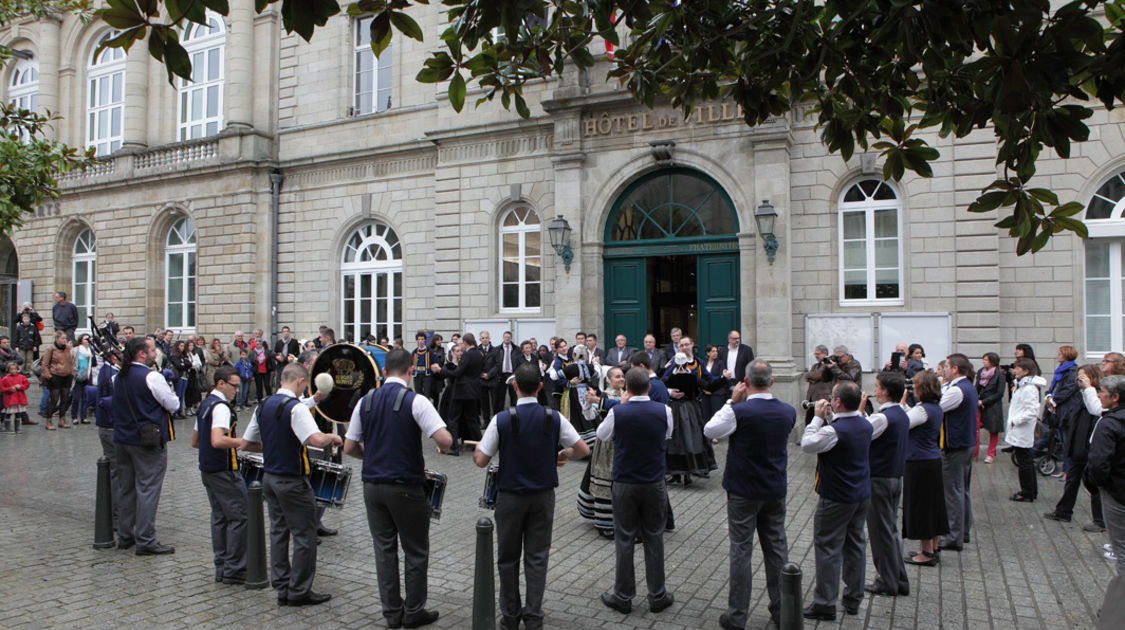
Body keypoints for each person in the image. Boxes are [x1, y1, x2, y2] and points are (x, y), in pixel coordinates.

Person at [474, 362, 589, 630]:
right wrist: (562, 454)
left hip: (510, 497)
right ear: (540, 387)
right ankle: (534, 615)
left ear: (514, 387)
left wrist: (482, 445)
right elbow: (582, 449)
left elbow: (480, 460)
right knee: (537, 557)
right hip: (542, 497)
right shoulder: (553, 417)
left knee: (508, 558)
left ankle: (510, 617)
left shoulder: (501, 419)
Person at [343, 348, 452, 628]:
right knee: (415, 550)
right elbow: (445, 440)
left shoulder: (364, 401)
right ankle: (414, 611)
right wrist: (442, 443)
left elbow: (349, 446)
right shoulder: (417, 401)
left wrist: (373, 457)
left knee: (384, 550)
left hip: (372, 487)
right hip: (405, 486)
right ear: (411, 369)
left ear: (383, 371)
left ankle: (392, 613)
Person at [240, 362, 343, 606]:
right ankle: (299, 591)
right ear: (299, 381)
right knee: (304, 535)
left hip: (269, 478)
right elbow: (316, 439)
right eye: (304, 385)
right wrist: (334, 437)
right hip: (293, 481)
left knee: (278, 532)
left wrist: (273, 446)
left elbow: (245, 443)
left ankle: (283, 585)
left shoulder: (263, 405)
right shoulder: (295, 409)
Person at [703, 360, 795, 630]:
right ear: (772, 382)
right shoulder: (788, 412)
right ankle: (783, 612)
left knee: (741, 550)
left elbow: (710, 430)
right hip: (774, 488)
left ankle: (737, 616)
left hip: (743, 489)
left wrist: (732, 402)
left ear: (745, 382)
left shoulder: (739, 411)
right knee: (777, 548)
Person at [596, 367, 675, 616]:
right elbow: (668, 434)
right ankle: (657, 595)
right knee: (654, 537)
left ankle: (623, 596)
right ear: (649, 387)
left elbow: (602, 435)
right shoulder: (665, 410)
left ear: (626, 388)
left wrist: (621, 406)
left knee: (625, 537)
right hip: (653, 481)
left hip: (625, 482)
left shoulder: (618, 411)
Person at [800, 381, 874, 621]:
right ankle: (853, 598)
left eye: (832, 398)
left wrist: (817, 418)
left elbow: (809, 444)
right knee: (855, 545)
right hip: (860, 494)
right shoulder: (864, 422)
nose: (829, 401)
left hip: (836, 497)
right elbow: (841, 438)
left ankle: (825, 603)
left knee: (828, 548)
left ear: (838, 402)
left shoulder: (835, 430)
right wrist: (831, 418)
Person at [112, 336, 180, 554]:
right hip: (147, 439)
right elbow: (173, 404)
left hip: (123, 437)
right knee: (148, 488)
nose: (155, 354)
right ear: (141, 353)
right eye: (152, 350)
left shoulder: (119, 376)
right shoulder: (151, 376)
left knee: (127, 488)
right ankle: (145, 538)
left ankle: (125, 534)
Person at [191, 366, 249, 584]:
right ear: (221, 384)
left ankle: (222, 566)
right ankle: (235, 568)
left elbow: (196, 441)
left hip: (208, 468)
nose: (237, 390)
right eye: (234, 386)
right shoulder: (222, 407)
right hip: (224, 469)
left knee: (219, 517)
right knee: (239, 517)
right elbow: (217, 440)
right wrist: (243, 443)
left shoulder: (205, 404)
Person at [863, 371, 910, 597]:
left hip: (879, 478)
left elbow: (860, 435)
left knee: (880, 533)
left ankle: (887, 581)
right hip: (894, 477)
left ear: (886, 391)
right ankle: (898, 578)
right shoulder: (900, 413)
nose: (876, 390)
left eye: (878, 387)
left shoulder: (883, 417)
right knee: (889, 530)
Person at [1046, 364, 1105, 525]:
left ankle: (1099, 520)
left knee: (1092, 483)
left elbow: (1095, 413)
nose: (1079, 380)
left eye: (1083, 377)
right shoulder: (1079, 395)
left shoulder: (1096, 395)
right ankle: (1063, 511)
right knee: (1072, 480)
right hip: (1076, 444)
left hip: (1087, 446)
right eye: (1078, 377)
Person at [902, 371, 949, 566]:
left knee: (922, 507)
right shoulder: (935, 408)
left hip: (919, 462)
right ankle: (934, 546)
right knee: (934, 505)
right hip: (932, 460)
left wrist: (899, 403)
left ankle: (926, 552)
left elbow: (903, 423)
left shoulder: (922, 410)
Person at [579, 366, 625, 537]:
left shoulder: (626, 395)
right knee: (604, 481)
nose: (621, 379)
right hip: (606, 446)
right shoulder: (604, 396)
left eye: (622, 376)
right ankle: (605, 523)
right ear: (608, 380)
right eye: (617, 377)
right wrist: (589, 402)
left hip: (622, 445)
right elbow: (589, 416)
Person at [939, 353, 979, 551]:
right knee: (962, 490)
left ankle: (953, 536)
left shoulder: (957, 390)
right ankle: (963, 532)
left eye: (946, 366)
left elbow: (937, 409)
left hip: (956, 445)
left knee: (953, 491)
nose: (944, 369)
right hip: (966, 443)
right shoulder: (966, 387)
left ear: (955, 368)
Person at [1086, 374, 1125, 575]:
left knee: (1121, 550)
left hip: (1116, 493)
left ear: (1115, 397)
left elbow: (1098, 464)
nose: (1099, 395)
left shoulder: (1109, 424)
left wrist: (1096, 484)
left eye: (1101, 392)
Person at [663, 342, 716, 486]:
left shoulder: (669, 379)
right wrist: (724, 379)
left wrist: (664, 370)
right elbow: (710, 386)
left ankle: (676, 473)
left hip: (674, 409)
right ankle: (688, 473)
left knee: (674, 440)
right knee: (690, 439)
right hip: (690, 409)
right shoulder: (693, 378)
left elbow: (657, 385)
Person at [1006, 358, 1045, 503]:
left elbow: (1031, 411)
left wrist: (1015, 421)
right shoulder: (1022, 386)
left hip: (1022, 429)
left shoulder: (1029, 389)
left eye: (1017, 368)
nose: (1014, 371)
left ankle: (1027, 492)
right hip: (1019, 429)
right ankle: (1029, 490)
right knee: (1024, 460)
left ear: (1026, 371)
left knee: (1025, 462)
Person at [438, 332, 484, 455]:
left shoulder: (467, 355)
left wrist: (441, 371)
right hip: (474, 391)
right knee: (472, 419)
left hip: (461, 392)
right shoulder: (479, 355)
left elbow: (457, 373)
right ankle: (480, 445)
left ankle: (453, 448)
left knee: (453, 419)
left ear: (465, 342)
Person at [40, 330, 74, 430]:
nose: (65, 340)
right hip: (55, 375)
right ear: (57, 339)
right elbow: (44, 364)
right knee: (54, 399)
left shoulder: (68, 348)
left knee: (65, 399)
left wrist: (71, 373)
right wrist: (49, 376)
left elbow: (71, 360)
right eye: (62, 338)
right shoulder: (51, 349)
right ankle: (49, 420)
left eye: (65, 338)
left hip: (67, 375)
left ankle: (62, 419)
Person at [976, 352, 1007, 463]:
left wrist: (984, 401)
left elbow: (999, 393)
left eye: (986, 360)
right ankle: (974, 453)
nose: (983, 362)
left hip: (993, 405)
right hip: (980, 404)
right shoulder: (980, 372)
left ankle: (991, 454)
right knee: (976, 428)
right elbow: (977, 387)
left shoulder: (999, 374)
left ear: (992, 362)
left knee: (993, 430)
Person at [803, 345, 835, 426]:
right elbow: (807, 377)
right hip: (811, 398)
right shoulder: (815, 366)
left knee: (822, 421)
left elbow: (817, 375)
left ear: (825, 354)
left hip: (822, 397)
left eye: (818, 354)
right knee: (810, 420)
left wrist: (811, 376)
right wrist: (811, 376)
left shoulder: (828, 365)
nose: (816, 356)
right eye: (815, 354)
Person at [700, 344, 730, 422]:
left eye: (716, 351)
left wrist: (711, 390)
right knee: (705, 415)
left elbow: (721, 378)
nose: (715, 353)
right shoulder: (703, 363)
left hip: (717, 393)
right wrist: (704, 390)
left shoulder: (720, 363)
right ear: (708, 353)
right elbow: (700, 378)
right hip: (705, 393)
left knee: (716, 416)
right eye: (713, 351)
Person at [0, 360, 29, 433]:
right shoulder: (5, 378)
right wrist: (10, 389)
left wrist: (20, 386)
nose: (13, 371)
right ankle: (8, 428)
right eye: (11, 369)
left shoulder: (21, 377)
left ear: (17, 369)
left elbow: (26, 385)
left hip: (19, 399)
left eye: (14, 369)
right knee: (8, 414)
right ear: (8, 370)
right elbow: (2, 388)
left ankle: (17, 428)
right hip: (10, 400)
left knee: (18, 414)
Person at [494, 331, 519, 411]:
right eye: (505, 337)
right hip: (501, 376)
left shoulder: (516, 349)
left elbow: (519, 362)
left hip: (512, 375)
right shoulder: (497, 349)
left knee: (514, 397)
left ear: (511, 338)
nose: (507, 339)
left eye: (508, 337)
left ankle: (514, 414)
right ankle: (500, 415)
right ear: (503, 338)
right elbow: (495, 362)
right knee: (500, 397)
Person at [250, 330, 276, 405]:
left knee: (267, 385)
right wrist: (251, 373)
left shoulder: (267, 351)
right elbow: (251, 363)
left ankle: (269, 398)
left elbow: (271, 360)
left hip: (266, 370)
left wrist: (273, 370)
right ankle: (260, 400)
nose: (258, 346)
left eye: (260, 344)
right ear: (255, 345)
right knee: (259, 387)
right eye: (257, 344)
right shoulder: (253, 353)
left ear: (262, 344)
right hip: (257, 372)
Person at [15, 312, 40, 377]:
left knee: (29, 359)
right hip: (21, 346)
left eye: (27, 318)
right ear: (22, 319)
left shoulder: (33, 327)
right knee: (22, 359)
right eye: (24, 318)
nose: (26, 319)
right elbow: (16, 337)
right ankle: (21, 371)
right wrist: (16, 346)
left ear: (29, 319)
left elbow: (36, 337)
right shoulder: (19, 327)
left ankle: (28, 371)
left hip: (30, 346)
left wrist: (35, 345)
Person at [412, 331, 434, 396]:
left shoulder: (429, 351)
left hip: (427, 374)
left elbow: (433, 361)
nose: (420, 341)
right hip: (417, 374)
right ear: (417, 340)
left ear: (425, 340)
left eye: (422, 339)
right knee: (418, 393)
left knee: (427, 393)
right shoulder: (414, 351)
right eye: (419, 339)